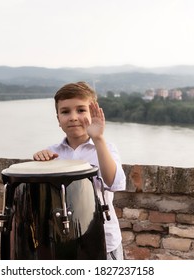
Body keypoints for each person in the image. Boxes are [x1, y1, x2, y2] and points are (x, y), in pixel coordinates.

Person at [33, 81, 126, 260]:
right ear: (58, 118)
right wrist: (38, 163)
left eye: (81, 110)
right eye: (65, 111)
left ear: (93, 114)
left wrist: (98, 138)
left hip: (103, 239)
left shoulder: (105, 148)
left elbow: (114, 183)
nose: (73, 117)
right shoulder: (52, 153)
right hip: (63, 241)